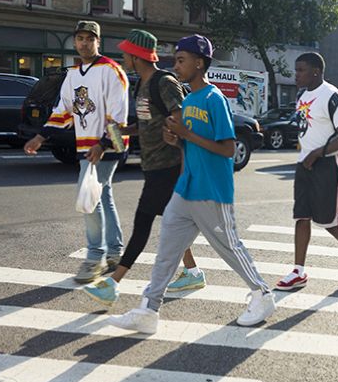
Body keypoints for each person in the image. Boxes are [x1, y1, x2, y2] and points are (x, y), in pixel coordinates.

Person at [107, 34, 275, 333]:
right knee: (167, 252)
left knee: (230, 247)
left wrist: (186, 135)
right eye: (176, 59)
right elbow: (189, 143)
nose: (176, 64)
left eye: (182, 60)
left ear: (200, 63)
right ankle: (148, 309)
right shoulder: (190, 98)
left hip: (212, 189)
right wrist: (176, 139)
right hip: (185, 189)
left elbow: (226, 148)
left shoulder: (213, 98)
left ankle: (263, 294)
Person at [83, 29, 205, 307]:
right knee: (174, 222)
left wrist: (172, 134)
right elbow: (148, 123)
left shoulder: (164, 82)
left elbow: (182, 119)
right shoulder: (142, 84)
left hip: (170, 167)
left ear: (136, 56)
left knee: (143, 223)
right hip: (153, 167)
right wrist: (113, 138)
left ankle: (113, 284)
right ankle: (193, 272)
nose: (122, 57)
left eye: (126, 53)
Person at [24, 20, 128, 284]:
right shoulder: (73, 74)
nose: (84, 43)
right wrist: (40, 136)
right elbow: (63, 111)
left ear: (98, 41)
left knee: (88, 197)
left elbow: (119, 116)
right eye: (80, 38)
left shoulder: (112, 71)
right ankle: (115, 252)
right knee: (102, 196)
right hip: (87, 145)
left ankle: (95, 258)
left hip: (108, 144)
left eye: (89, 38)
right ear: (74, 41)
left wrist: (104, 145)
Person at [274, 52, 338, 291]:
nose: (296, 75)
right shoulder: (302, 94)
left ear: (316, 71)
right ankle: (298, 271)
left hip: (329, 164)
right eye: (296, 70)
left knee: (328, 221)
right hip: (305, 163)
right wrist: (307, 153)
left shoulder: (333, 96)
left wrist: (318, 152)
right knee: (301, 216)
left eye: (301, 70)